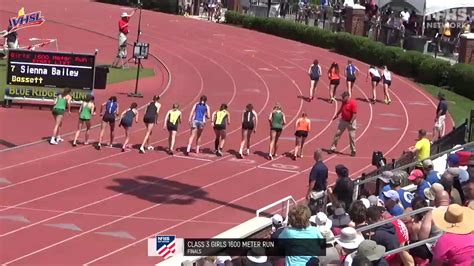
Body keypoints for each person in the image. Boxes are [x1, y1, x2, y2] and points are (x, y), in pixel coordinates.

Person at [328, 91, 357, 157]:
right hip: (343, 121)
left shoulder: (353, 103)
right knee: (337, 134)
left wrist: (351, 122)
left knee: (352, 137)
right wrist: (337, 114)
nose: (342, 98)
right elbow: (341, 108)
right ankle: (332, 148)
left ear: (347, 97)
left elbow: (354, 114)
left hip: (351, 122)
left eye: (343, 97)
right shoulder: (343, 102)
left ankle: (353, 150)